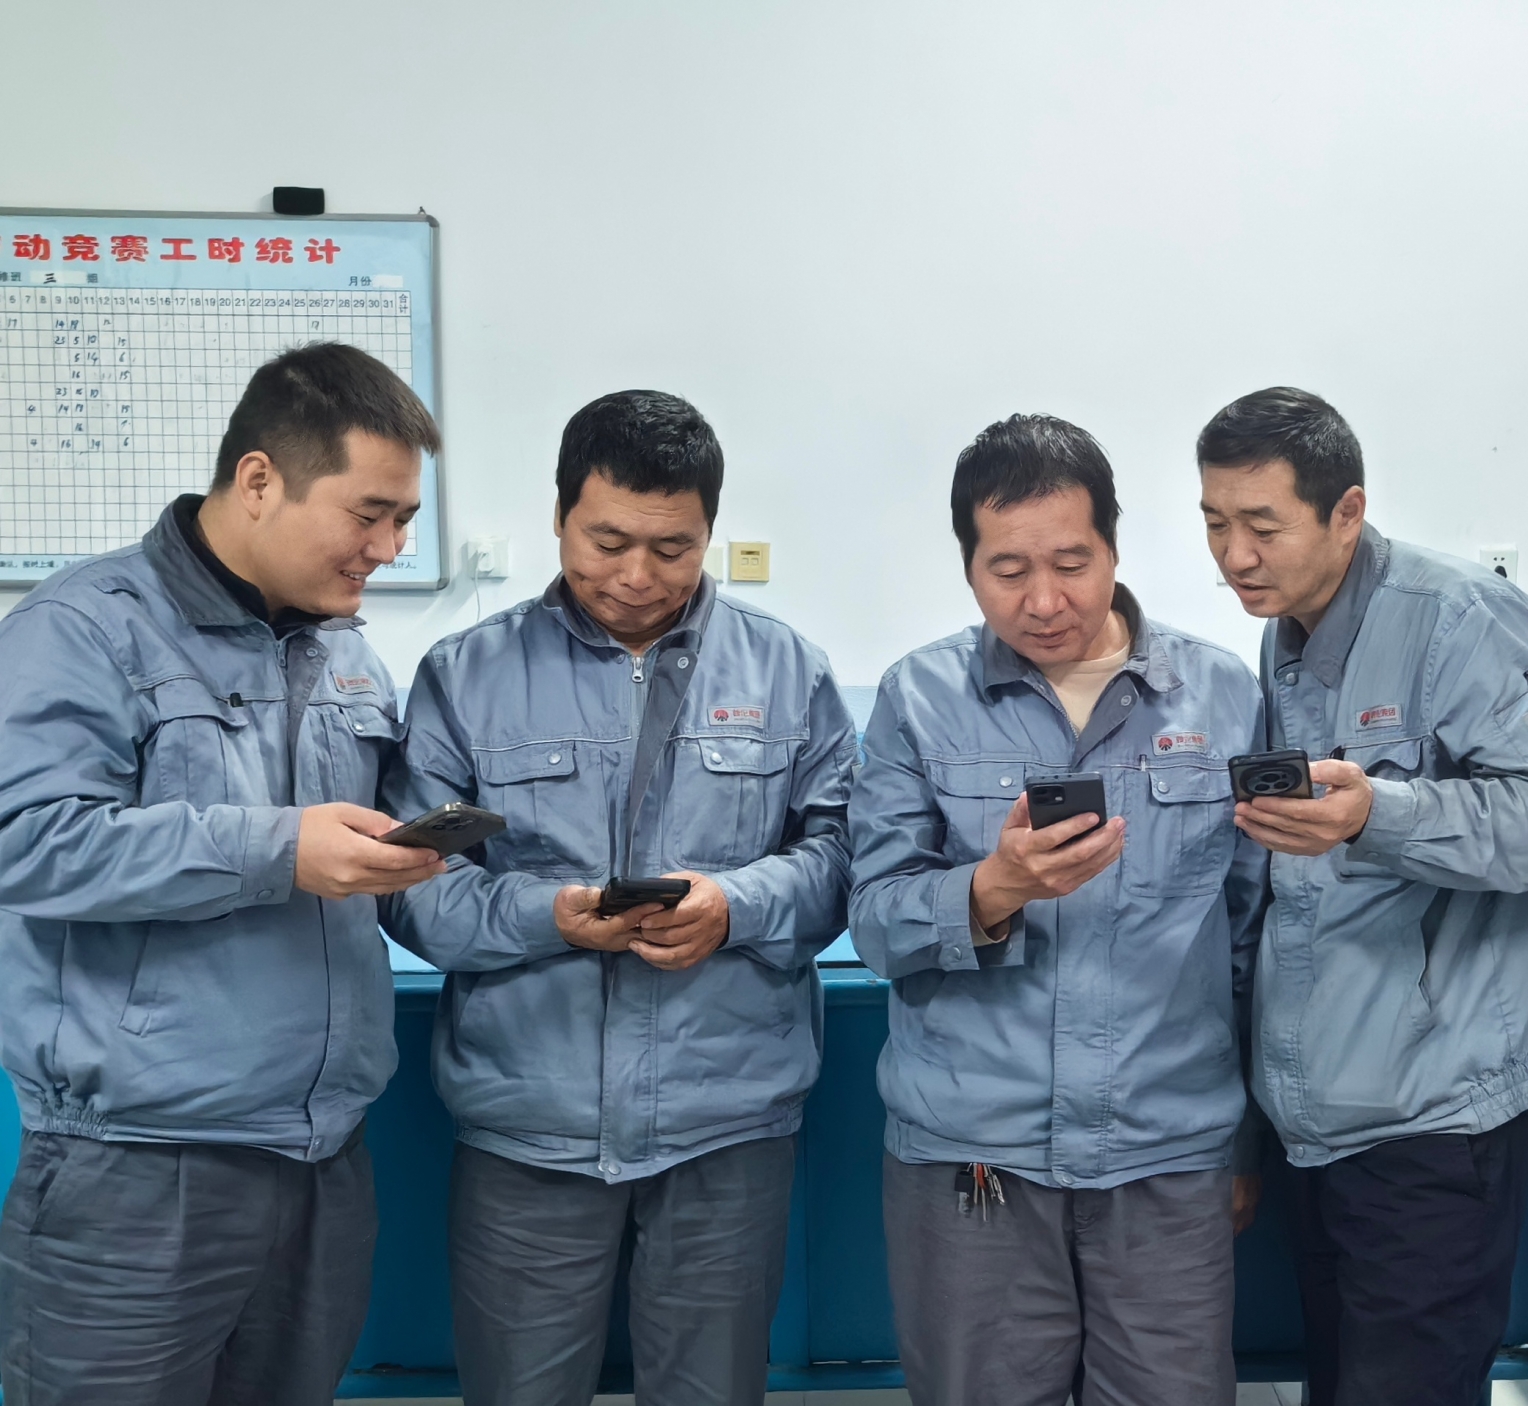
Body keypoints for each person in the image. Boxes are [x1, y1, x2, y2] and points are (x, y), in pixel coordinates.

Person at [381, 389, 854, 1406]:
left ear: (710, 531)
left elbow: (843, 859)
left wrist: (736, 903)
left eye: (673, 548)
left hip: (727, 1122)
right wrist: (548, 916)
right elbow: (415, 886)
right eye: (607, 542)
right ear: (559, 516)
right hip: (527, 1122)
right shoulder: (466, 675)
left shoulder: (788, 671)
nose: (638, 576)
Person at [0, 343, 445, 1404]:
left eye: (405, 520)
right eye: (369, 514)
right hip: (139, 1166)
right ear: (258, 479)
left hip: (324, 1156)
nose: (388, 549)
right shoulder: (83, 628)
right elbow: (27, 840)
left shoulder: (346, 655)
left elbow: (380, 868)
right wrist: (278, 848)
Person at [850, 413, 1267, 1406]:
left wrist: (1246, 1138)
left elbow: (1257, 935)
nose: (1044, 601)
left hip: (1168, 1149)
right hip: (975, 1152)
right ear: (968, 566)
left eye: (1072, 563)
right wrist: (993, 888)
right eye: (1007, 570)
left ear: (1115, 547)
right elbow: (873, 920)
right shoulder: (919, 697)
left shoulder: (1221, 694)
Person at [1200, 386, 1528, 1406]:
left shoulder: (1460, 616)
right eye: (1214, 523)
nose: (1235, 555)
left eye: (1262, 526)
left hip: (1437, 1120)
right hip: (1323, 1115)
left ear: (1347, 512)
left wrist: (1380, 813)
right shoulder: (1284, 632)